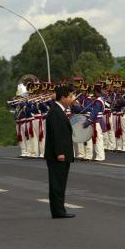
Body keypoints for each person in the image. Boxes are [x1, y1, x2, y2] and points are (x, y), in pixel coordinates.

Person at [44, 85, 76, 219]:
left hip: (60, 154)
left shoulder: (58, 110)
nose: (72, 99)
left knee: (60, 183)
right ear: (63, 98)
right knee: (57, 183)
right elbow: (56, 134)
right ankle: (58, 211)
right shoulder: (56, 112)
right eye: (70, 96)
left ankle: (59, 210)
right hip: (58, 155)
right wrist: (60, 153)